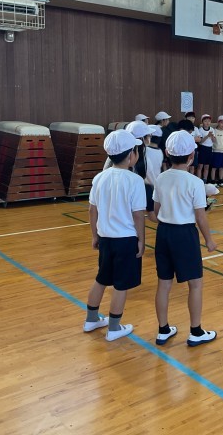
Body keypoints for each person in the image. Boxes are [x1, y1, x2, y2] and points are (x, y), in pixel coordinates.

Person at [153, 130, 217, 347]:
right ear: (192, 155)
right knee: (195, 284)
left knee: (163, 284)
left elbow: (156, 211)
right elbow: (200, 216)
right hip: (185, 234)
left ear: (166, 153)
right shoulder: (195, 182)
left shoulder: (161, 178)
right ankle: (196, 332)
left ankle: (163, 330)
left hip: (163, 233)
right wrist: (209, 240)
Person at [84, 129, 146, 342]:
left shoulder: (99, 177)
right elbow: (138, 215)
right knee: (121, 285)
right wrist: (141, 240)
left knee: (101, 278)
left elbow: (92, 210)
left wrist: (94, 236)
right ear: (131, 155)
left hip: (105, 238)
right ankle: (114, 328)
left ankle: (91, 319)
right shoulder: (135, 180)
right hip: (126, 240)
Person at [126, 121, 159, 223]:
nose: (150, 137)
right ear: (141, 139)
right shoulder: (130, 155)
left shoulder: (142, 151)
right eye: (149, 135)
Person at [211, 115, 223, 187]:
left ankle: (221, 181)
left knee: (221, 167)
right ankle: (213, 181)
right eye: (221, 122)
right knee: (214, 167)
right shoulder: (214, 131)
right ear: (218, 122)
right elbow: (212, 140)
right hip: (216, 151)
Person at [196, 114, 215, 183]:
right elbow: (200, 142)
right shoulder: (200, 130)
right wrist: (207, 136)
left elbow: (214, 141)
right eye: (205, 121)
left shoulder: (212, 129)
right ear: (202, 122)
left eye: (209, 121)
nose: (207, 123)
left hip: (209, 149)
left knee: (207, 166)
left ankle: (205, 180)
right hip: (202, 148)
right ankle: (198, 180)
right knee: (200, 166)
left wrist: (212, 136)